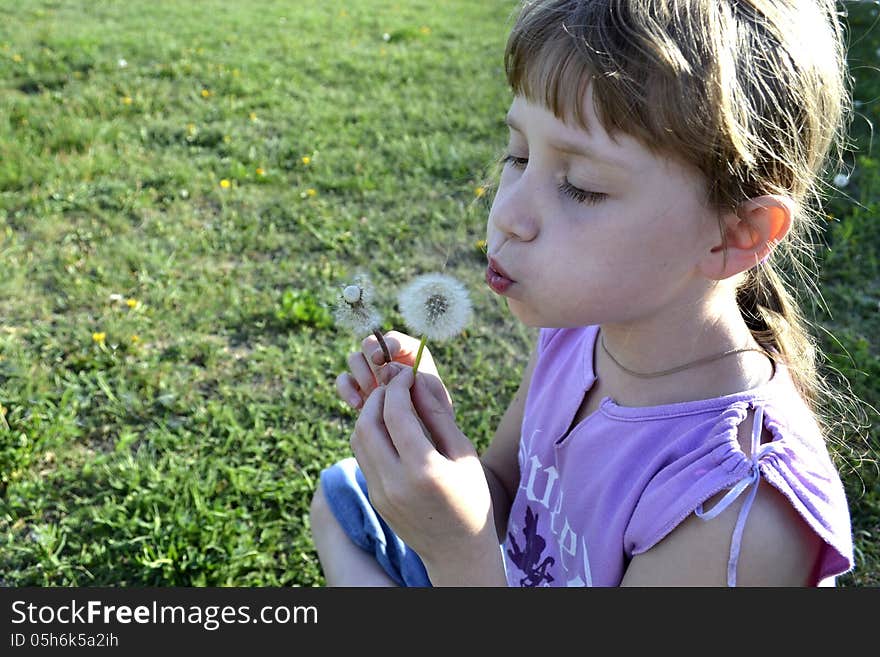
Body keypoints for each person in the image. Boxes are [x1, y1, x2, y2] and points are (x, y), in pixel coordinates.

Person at [310, 0, 856, 586]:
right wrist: (443, 450)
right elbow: (505, 493)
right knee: (341, 499)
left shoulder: (736, 508)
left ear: (737, 234)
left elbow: (475, 549)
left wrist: (457, 553)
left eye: (583, 187)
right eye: (518, 155)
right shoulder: (577, 331)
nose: (508, 214)